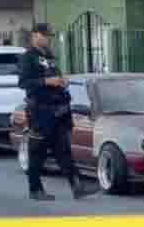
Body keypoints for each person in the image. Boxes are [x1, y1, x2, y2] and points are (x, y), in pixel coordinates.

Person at [18, 23, 99, 201]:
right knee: (37, 152)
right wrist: (47, 82)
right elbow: (24, 83)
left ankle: (77, 186)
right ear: (35, 35)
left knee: (63, 151)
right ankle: (35, 189)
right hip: (40, 112)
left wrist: (62, 81)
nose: (48, 38)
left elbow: (54, 76)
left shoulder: (48, 56)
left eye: (49, 35)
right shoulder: (28, 57)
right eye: (44, 35)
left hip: (57, 111)